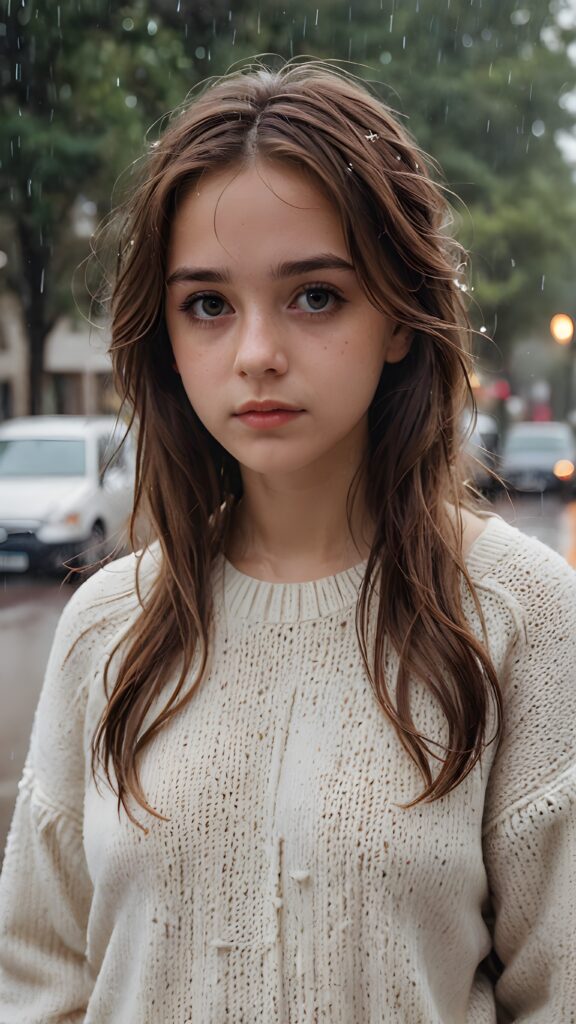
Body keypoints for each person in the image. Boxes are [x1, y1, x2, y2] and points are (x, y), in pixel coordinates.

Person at [0, 59, 575, 1024]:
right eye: (209, 304)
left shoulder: (522, 613)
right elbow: (39, 978)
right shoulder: (108, 626)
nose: (256, 350)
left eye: (314, 295)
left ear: (398, 315)